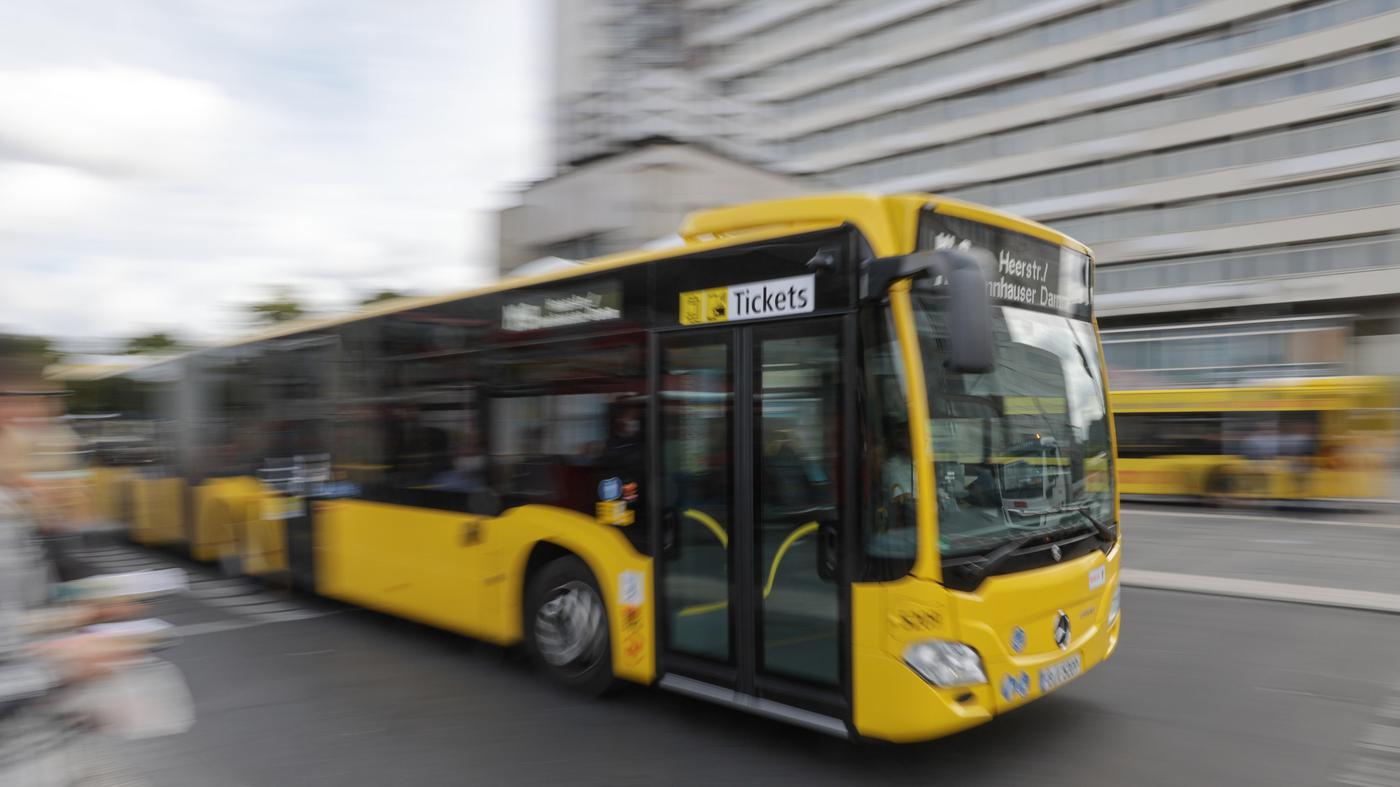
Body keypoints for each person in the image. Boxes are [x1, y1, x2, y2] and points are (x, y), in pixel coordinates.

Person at [0, 348, 144, 785]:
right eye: (30, 420)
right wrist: (62, 665)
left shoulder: (15, 511)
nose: (46, 435)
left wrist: (82, 613)